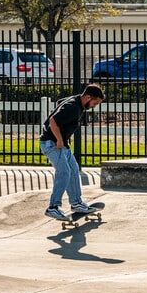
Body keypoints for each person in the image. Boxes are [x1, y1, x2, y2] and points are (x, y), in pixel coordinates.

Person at [40, 83, 105, 221]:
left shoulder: (76, 100)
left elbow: (59, 102)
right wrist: (59, 140)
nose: (95, 106)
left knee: (74, 170)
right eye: (95, 103)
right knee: (64, 172)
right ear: (88, 97)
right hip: (52, 144)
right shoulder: (73, 107)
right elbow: (53, 121)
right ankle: (53, 207)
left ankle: (76, 203)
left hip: (62, 144)